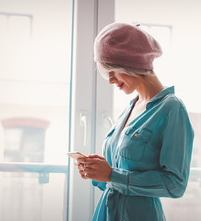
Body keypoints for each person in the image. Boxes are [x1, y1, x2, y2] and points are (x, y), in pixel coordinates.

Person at [76, 22, 194, 221]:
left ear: (132, 64)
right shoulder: (131, 107)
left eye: (113, 71)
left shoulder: (172, 109)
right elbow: (117, 177)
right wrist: (98, 171)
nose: (110, 80)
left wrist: (113, 175)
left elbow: (175, 185)